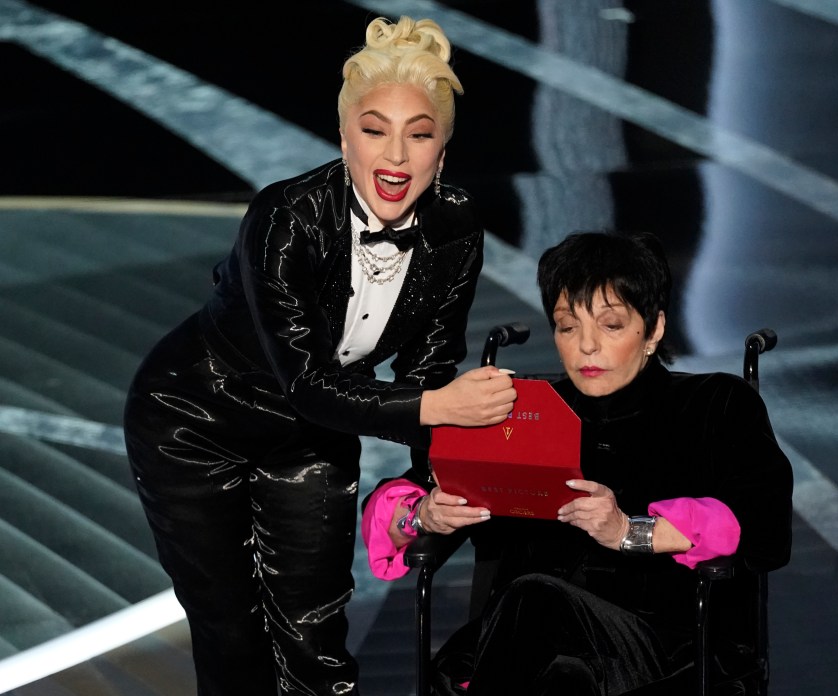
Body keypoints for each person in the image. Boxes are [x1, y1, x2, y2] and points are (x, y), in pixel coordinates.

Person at [123, 16, 516, 696]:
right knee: (233, 632)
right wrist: (434, 406)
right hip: (194, 419)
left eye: (419, 135)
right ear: (343, 139)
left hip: (313, 434)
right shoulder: (286, 216)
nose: (395, 156)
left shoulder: (457, 228)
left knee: (315, 635)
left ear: (442, 153)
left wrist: (427, 492)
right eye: (374, 130)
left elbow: (429, 367)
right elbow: (308, 383)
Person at [361, 231, 793, 695]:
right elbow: (395, 514)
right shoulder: (516, 411)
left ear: (654, 329)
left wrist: (630, 531)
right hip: (527, 655)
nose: (587, 346)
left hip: (663, 652)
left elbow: (763, 524)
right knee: (561, 669)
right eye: (568, 327)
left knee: (539, 604)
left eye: (611, 325)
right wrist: (424, 513)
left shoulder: (714, 406)